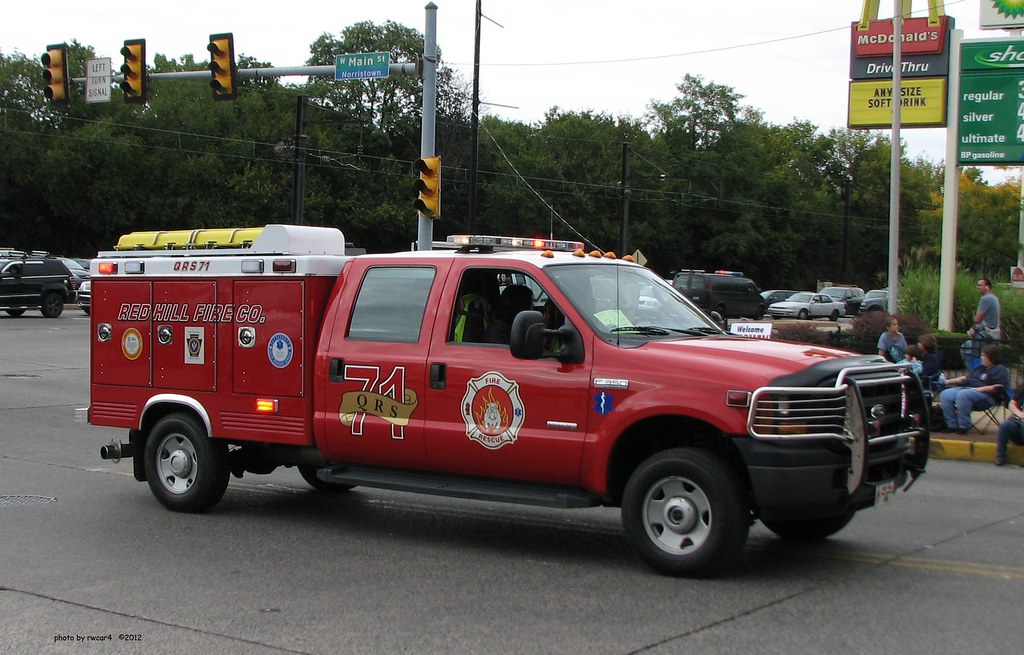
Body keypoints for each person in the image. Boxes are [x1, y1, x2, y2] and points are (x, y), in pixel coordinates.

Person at [938, 344, 1009, 434]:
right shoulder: (980, 368)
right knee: (945, 394)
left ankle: (963, 426)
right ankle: (951, 425)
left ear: (990, 357)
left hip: (987, 395)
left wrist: (980, 389)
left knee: (963, 394)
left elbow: (1000, 387)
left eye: (983, 355)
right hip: (969, 389)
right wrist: (947, 381)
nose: (981, 357)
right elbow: (967, 379)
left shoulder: (999, 369)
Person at [961, 277, 1001, 366]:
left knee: (971, 351)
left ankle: (975, 373)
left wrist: (973, 329)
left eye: (980, 285)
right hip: (994, 333)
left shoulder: (985, 299)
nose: (977, 287)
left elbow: (978, 319)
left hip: (985, 334)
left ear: (987, 287)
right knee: (989, 357)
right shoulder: (994, 298)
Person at [994, 385, 1024, 466]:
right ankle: (1000, 457)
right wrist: (1019, 414)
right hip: (1018, 422)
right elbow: (1012, 403)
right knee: (1005, 426)